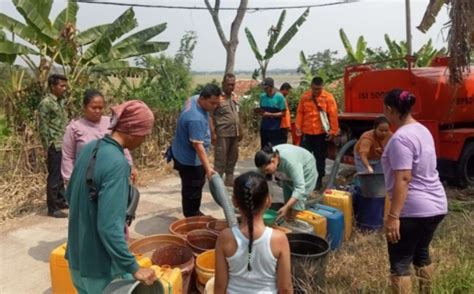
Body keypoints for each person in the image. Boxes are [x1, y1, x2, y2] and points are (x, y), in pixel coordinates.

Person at [65, 100, 156, 293]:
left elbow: (70, 194)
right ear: (134, 131)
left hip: (77, 260)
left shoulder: (91, 148)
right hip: (102, 269)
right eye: (145, 134)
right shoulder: (117, 164)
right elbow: (109, 227)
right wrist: (134, 267)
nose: (144, 140)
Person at [381, 89, 448, 293]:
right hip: (436, 205)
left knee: (400, 264)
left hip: (413, 209)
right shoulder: (422, 130)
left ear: (389, 110)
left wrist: (393, 216)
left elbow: (403, 178)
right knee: (421, 254)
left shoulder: (401, 138)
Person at [214, 171, 293, 294]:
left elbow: (219, 286)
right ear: (268, 201)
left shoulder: (225, 237)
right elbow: (285, 288)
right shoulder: (279, 239)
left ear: (234, 201)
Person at [61, 89, 136, 183]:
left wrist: (130, 166)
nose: (97, 111)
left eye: (100, 108)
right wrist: (71, 180)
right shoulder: (74, 128)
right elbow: (68, 156)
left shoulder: (111, 124)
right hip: (84, 179)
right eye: (93, 108)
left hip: (112, 176)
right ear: (84, 107)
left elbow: (122, 147)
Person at [171, 84, 220, 217]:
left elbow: (208, 115)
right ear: (203, 98)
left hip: (180, 150)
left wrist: (212, 131)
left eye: (217, 103)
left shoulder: (194, 99)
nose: (215, 106)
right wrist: (208, 169)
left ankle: (192, 211)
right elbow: (198, 146)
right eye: (213, 103)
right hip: (190, 160)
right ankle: (191, 215)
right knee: (193, 187)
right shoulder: (195, 118)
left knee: (189, 185)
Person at [295, 76, 339, 191]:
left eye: (319, 89)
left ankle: (319, 180)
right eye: (314, 89)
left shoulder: (328, 98)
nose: (316, 91)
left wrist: (333, 131)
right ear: (311, 87)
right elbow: (300, 113)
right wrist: (298, 126)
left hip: (321, 134)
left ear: (322, 87)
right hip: (307, 133)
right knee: (304, 157)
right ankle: (304, 178)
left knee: (320, 158)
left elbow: (333, 115)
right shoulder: (305, 97)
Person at [255, 144, 317, 221]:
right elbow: (258, 181)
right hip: (287, 175)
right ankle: (287, 218)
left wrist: (286, 207)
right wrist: (267, 197)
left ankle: (294, 223)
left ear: (273, 161)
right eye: (263, 171)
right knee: (288, 202)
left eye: (267, 170)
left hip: (306, 170)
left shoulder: (290, 162)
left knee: (297, 204)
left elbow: (300, 188)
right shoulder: (265, 160)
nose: (265, 173)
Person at [38, 74, 69, 218]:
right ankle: (53, 207)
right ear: (52, 86)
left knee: (61, 174)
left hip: (62, 142)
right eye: (61, 85)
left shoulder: (60, 102)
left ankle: (61, 200)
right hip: (54, 144)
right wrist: (46, 146)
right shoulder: (46, 103)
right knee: (54, 176)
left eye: (65, 85)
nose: (64, 88)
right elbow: (43, 126)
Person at [210, 73, 242, 186]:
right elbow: (210, 116)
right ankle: (216, 182)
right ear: (223, 84)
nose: (231, 87)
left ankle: (229, 179)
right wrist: (213, 133)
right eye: (229, 84)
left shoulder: (234, 97)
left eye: (233, 84)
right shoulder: (217, 98)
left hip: (235, 133)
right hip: (222, 133)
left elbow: (237, 114)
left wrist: (241, 130)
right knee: (220, 158)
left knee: (233, 157)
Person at [256, 77, 287, 149]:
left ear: (271, 87)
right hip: (264, 128)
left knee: (275, 149)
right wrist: (258, 111)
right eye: (264, 88)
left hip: (275, 129)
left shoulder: (279, 97)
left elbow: (283, 113)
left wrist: (270, 114)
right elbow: (262, 110)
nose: (264, 90)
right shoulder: (262, 96)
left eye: (266, 88)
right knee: (264, 149)